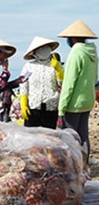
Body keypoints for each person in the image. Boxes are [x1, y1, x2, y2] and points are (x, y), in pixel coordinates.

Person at [57, 19, 98, 163]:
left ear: (72, 38)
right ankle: (84, 165)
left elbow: (69, 83)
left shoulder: (76, 52)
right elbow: (95, 77)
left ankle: (73, 166)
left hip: (74, 103)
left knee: (71, 138)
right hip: (87, 100)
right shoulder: (92, 52)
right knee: (83, 135)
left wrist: (61, 108)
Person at [19, 36, 64, 129]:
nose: (44, 50)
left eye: (46, 47)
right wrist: (23, 104)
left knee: (49, 138)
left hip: (51, 108)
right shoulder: (28, 66)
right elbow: (24, 86)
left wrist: (59, 70)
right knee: (31, 138)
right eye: (41, 48)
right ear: (34, 52)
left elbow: (63, 85)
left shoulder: (55, 66)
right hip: (33, 107)